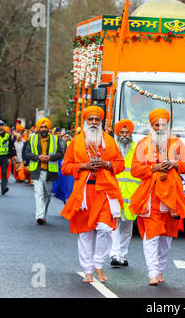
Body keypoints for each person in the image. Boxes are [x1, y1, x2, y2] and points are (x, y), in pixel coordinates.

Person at [60, 106, 125, 283]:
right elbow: (65, 167)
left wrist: (107, 164)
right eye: (91, 120)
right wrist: (83, 166)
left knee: (105, 228)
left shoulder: (110, 141)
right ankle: (87, 270)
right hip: (84, 193)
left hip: (105, 191)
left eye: (97, 120)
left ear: (101, 122)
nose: (94, 123)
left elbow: (120, 165)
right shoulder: (75, 142)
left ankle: (98, 264)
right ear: (85, 122)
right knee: (85, 233)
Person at [129, 108, 185, 286]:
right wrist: (154, 168)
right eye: (156, 125)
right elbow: (135, 170)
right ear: (151, 126)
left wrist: (174, 164)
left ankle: (160, 269)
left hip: (171, 196)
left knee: (166, 238)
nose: (159, 128)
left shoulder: (177, 143)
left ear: (167, 125)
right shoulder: (143, 144)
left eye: (163, 125)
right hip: (151, 196)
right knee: (152, 235)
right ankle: (152, 273)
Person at [109, 119, 140, 267]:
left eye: (127, 132)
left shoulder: (137, 149)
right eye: (121, 132)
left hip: (131, 194)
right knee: (114, 225)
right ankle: (114, 254)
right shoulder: (112, 148)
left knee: (127, 227)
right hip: (114, 192)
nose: (124, 135)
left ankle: (122, 254)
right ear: (117, 134)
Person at [25, 118, 64, 224]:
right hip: (37, 170)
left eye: (45, 127)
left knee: (47, 194)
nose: (43, 129)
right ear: (38, 128)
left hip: (50, 171)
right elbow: (27, 153)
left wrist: (50, 158)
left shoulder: (55, 139)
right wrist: (38, 157)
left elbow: (61, 154)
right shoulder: (32, 138)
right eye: (41, 127)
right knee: (39, 194)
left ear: (48, 128)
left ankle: (43, 214)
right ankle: (40, 216)